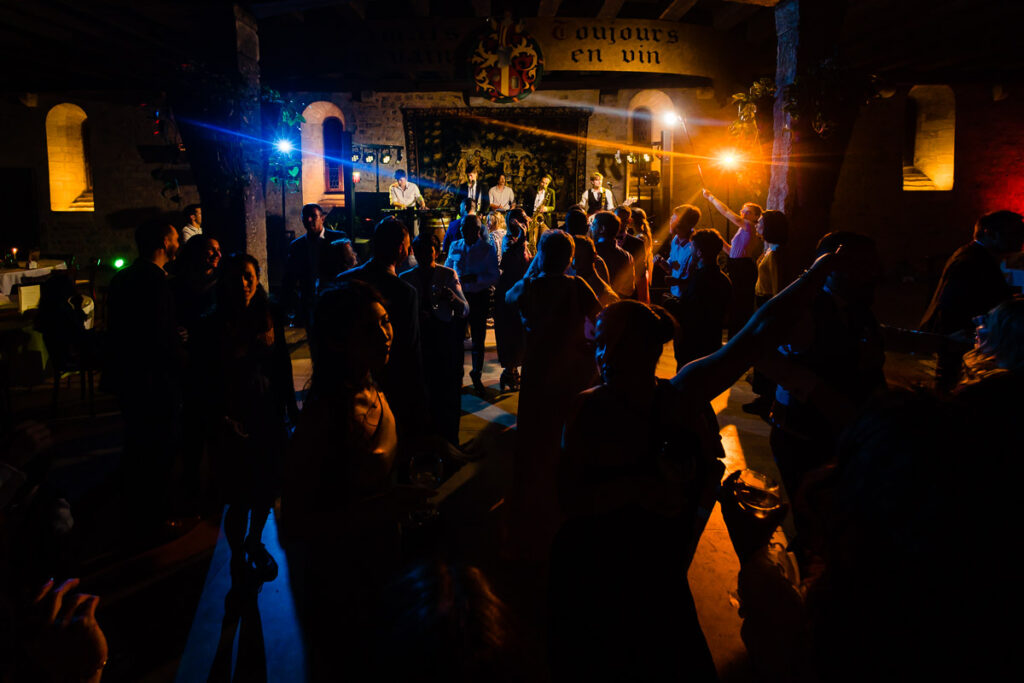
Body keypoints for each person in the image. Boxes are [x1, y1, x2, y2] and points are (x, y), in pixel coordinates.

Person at [550, 301, 722, 682]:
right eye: (599, 344)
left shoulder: (682, 406)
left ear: (650, 350)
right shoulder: (587, 409)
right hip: (593, 572)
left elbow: (709, 477)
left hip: (654, 574)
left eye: (619, 345)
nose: (604, 356)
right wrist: (637, 490)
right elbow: (569, 499)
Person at [280, 281, 435, 681]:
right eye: (369, 329)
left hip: (383, 562)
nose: (385, 334)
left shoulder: (372, 385)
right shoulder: (325, 417)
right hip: (343, 581)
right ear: (335, 341)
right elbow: (296, 523)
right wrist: (381, 508)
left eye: (386, 322)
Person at [505, 230, 601, 560]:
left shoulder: (530, 286)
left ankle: (530, 498)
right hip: (570, 370)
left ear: (542, 254)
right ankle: (564, 493)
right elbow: (600, 316)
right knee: (565, 430)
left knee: (534, 431)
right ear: (570, 256)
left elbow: (508, 299)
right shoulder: (577, 286)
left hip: (538, 368)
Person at [206, 253, 291, 583]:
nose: (243, 283)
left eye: (248, 276)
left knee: (266, 488)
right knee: (239, 495)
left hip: (267, 411)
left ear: (258, 279)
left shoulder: (270, 314)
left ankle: (255, 542)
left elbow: (281, 361)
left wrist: (289, 407)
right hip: (233, 415)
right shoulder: (214, 323)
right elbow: (208, 378)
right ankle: (238, 554)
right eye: (236, 277)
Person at [106, 219, 184, 544]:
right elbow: (159, 335)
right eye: (175, 238)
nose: (178, 243)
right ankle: (155, 518)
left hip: (128, 376)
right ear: (165, 243)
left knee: (136, 443)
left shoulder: (122, 278)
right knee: (157, 448)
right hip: (154, 379)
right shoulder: (157, 282)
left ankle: (133, 513)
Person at [339, 218, 427, 437]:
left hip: (346, 385)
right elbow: (410, 350)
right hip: (391, 387)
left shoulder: (345, 281)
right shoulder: (405, 293)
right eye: (408, 246)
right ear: (401, 250)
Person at [920, 210, 1024, 391]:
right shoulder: (972, 261)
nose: (1019, 238)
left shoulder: (975, 256)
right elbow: (953, 305)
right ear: (989, 233)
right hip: (959, 336)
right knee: (950, 383)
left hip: (959, 336)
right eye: (1012, 232)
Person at [400, 234, 469, 444]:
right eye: (419, 251)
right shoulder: (406, 277)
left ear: (436, 252)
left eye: (428, 251)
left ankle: (448, 438)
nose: (423, 256)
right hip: (420, 338)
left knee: (444, 389)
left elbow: (464, 309)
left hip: (442, 336)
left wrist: (452, 298)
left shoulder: (447, 274)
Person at [445, 214, 499, 393]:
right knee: (456, 339)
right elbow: (447, 268)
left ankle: (476, 375)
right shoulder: (455, 245)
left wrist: (476, 278)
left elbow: (494, 276)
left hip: (478, 297)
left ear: (476, 231)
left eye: (464, 228)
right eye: (461, 228)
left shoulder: (487, 249)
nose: (461, 231)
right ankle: (458, 376)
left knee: (478, 339)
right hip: (459, 297)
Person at [745, 209, 791, 416]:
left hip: (768, 304)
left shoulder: (778, 254)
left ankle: (767, 398)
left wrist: (771, 313)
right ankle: (764, 396)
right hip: (762, 302)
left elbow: (778, 288)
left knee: (766, 349)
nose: (756, 224)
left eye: (760, 222)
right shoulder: (772, 250)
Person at [702, 189, 764, 338]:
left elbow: (727, 212)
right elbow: (732, 252)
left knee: (740, 304)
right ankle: (736, 336)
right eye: (743, 211)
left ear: (756, 216)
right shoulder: (743, 229)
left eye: (748, 212)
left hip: (743, 268)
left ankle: (739, 337)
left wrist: (711, 197)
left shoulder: (748, 226)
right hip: (739, 265)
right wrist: (719, 239)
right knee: (737, 303)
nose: (744, 213)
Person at [672, 229, 733, 370]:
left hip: (694, 345)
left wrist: (672, 303)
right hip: (712, 342)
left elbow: (691, 312)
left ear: (699, 253)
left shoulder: (701, 280)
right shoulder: (723, 279)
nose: (690, 249)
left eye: (692, 247)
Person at [282, 203, 350, 329]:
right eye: (305, 217)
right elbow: (290, 277)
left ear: (322, 218)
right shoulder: (297, 246)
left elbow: (350, 266)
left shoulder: (338, 238)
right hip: (309, 302)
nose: (309, 220)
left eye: (313, 216)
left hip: (333, 300)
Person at [494, 209, 532, 392]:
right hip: (508, 291)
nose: (527, 222)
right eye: (523, 220)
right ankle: (509, 372)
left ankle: (513, 372)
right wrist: (523, 233)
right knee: (509, 333)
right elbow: (512, 257)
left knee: (520, 334)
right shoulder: (508, 240)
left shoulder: (523, 243)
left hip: (521, 292)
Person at [655, 203, 701, 300]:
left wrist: (678, 282)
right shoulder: (675, 241)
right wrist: (661, 262)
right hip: (675, 296)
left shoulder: (695, 247)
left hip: (689, 300)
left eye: (674, 218)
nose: (670, 220)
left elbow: (699, 280)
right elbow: (673, 269)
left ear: (683, 223)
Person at [591, 211, 635, 299]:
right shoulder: (626, 256)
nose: (591, 228)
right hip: (617, 305)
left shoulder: (592, 252)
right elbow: (629, 289)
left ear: (602, 229)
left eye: (594, 225)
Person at [571, 234, 617, 308]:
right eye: (573, 257)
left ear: (594, 257)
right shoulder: (576, 286)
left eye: (580, 257)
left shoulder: (607, 297)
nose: (575, 263)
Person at [524, 174, 556, 240]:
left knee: (544, 239)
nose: (543, 184)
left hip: (544, 218)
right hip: (532, 217)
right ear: (539, 181)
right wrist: (527, 216)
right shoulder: (531, 190)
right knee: (532, 239)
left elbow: (553, 207)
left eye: (546, 183)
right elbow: (525, 204)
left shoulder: (551, 192)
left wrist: (546, 208)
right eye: (542, 182)